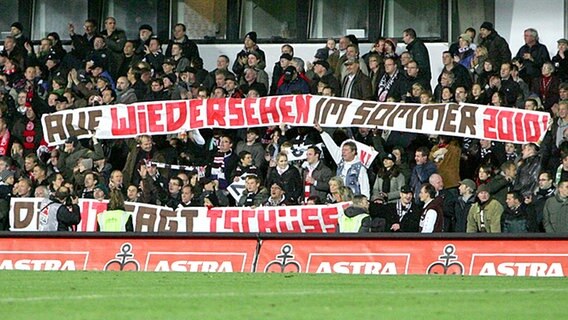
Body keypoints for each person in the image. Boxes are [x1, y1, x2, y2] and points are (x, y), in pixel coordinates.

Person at [316, 124, 370, 198]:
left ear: (353, 152)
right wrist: (321, 132)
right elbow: (331, 146)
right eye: (342, 150)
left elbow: (365, 187)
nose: (343, 152)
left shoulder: (360, 168)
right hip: (340, 200)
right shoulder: (340, 162)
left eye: (346, 150)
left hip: (354, 201)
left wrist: (365, 202)